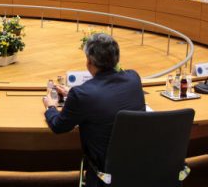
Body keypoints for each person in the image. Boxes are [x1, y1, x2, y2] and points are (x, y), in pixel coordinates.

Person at [43, 34, 145, 187]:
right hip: (140, 166)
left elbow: (59, 126)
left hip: (104, 174)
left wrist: (50, 106)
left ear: (89, 62)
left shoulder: (82, 95)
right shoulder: (134, 78)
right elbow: (108, 94)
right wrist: (72, 92)